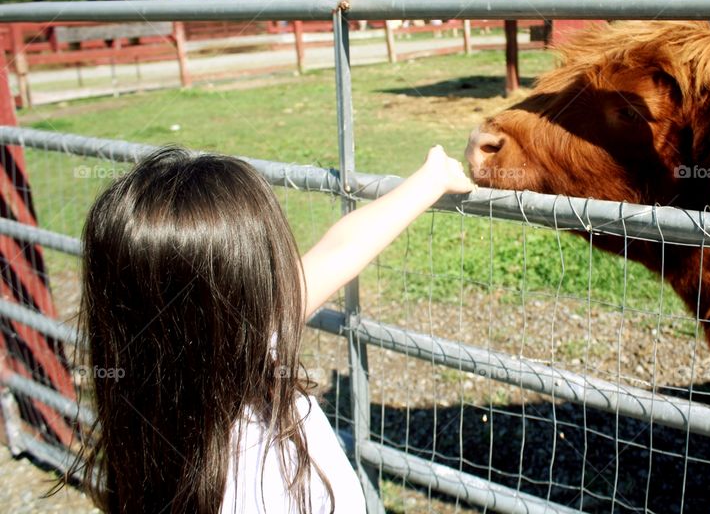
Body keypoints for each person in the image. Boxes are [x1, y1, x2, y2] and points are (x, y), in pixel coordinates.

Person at [74, 145, 474, 513]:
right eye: (270, 267)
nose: (285, 276)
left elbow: (341, 250)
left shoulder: (149, 420)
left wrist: (431, 179)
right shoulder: (256, 482)